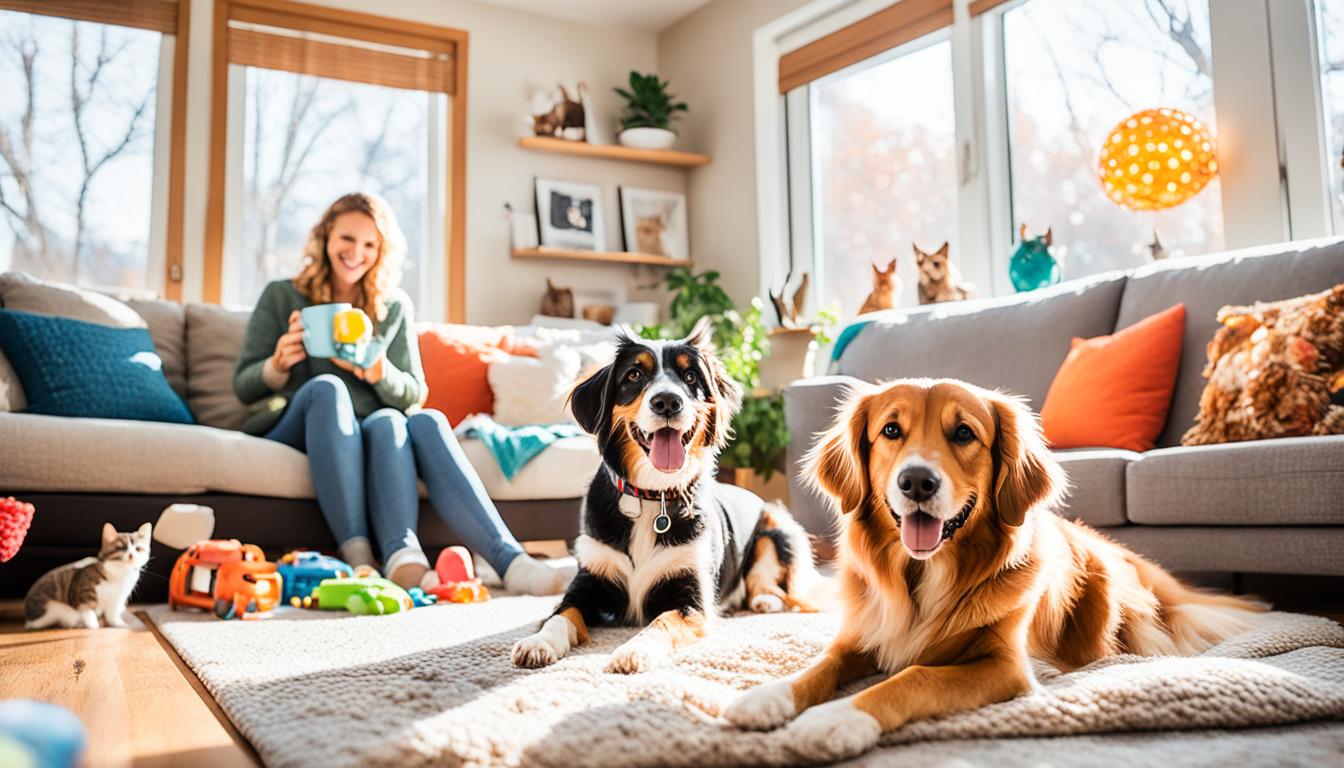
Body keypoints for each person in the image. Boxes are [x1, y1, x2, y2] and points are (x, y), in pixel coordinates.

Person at [233, 192, 574, 595]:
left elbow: (414, 394)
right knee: (328, 387)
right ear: (326, 237)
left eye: (369, 244)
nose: (356, 253)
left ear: (381, 251)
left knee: (415, 419)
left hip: (376, 428)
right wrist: (277, 364)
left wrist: (378, 370)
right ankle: (360, 561)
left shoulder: (392, 307)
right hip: (303, 423)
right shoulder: (282, 295)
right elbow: (244, 385)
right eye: (347, 238)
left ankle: (504, 562)